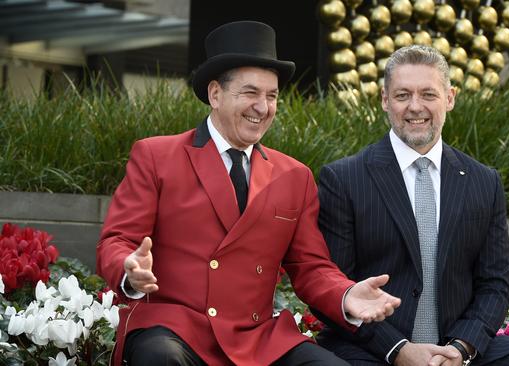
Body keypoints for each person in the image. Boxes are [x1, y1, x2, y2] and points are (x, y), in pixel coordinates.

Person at [96, 21, 401, 366]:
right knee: (160, 357)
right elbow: (117, 240)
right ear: (215, 94)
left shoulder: (295, 176)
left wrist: (345, 295)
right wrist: (128, 267)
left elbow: (310, 266)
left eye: (272, 96)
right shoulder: (156, 156)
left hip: (256, 338)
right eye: (250, 93)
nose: (263, 107)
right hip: (174, 329)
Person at [315, 45, 509, 366]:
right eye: (403, 95)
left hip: (456, 349)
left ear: (450, 97)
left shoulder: (483, 181)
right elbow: (333, 289)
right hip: (371, 349)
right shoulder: (344, 178)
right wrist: (399, 350)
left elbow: (495, 286)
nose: (415, 107)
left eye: (428, 94)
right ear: (384, 100)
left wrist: (461, 349)